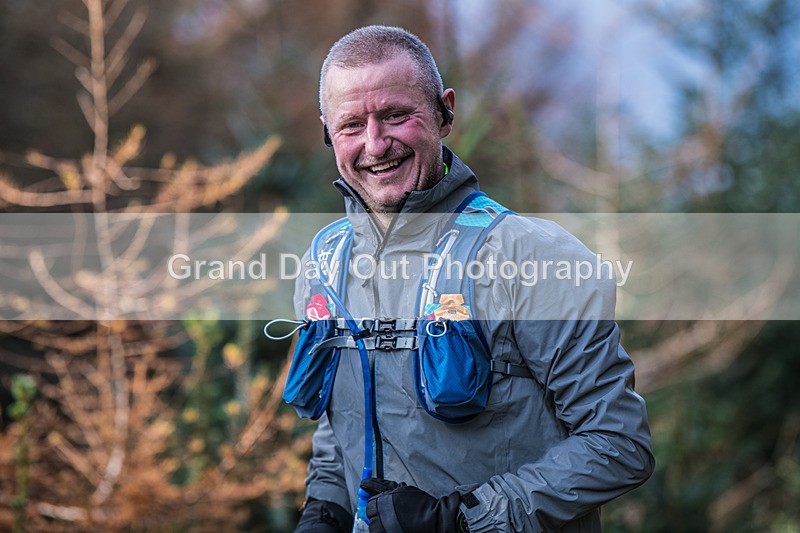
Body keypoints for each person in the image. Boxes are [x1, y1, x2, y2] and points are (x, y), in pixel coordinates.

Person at [291, 25, 654, 533]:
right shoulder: (325, 261)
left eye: (396, 115)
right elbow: (344, 426)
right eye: (352, 124)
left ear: (444, 113)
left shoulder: (532, 256)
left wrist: (463, 520)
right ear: (328, 131)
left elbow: (619, 445)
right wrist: (323, 511)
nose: (375, 144)